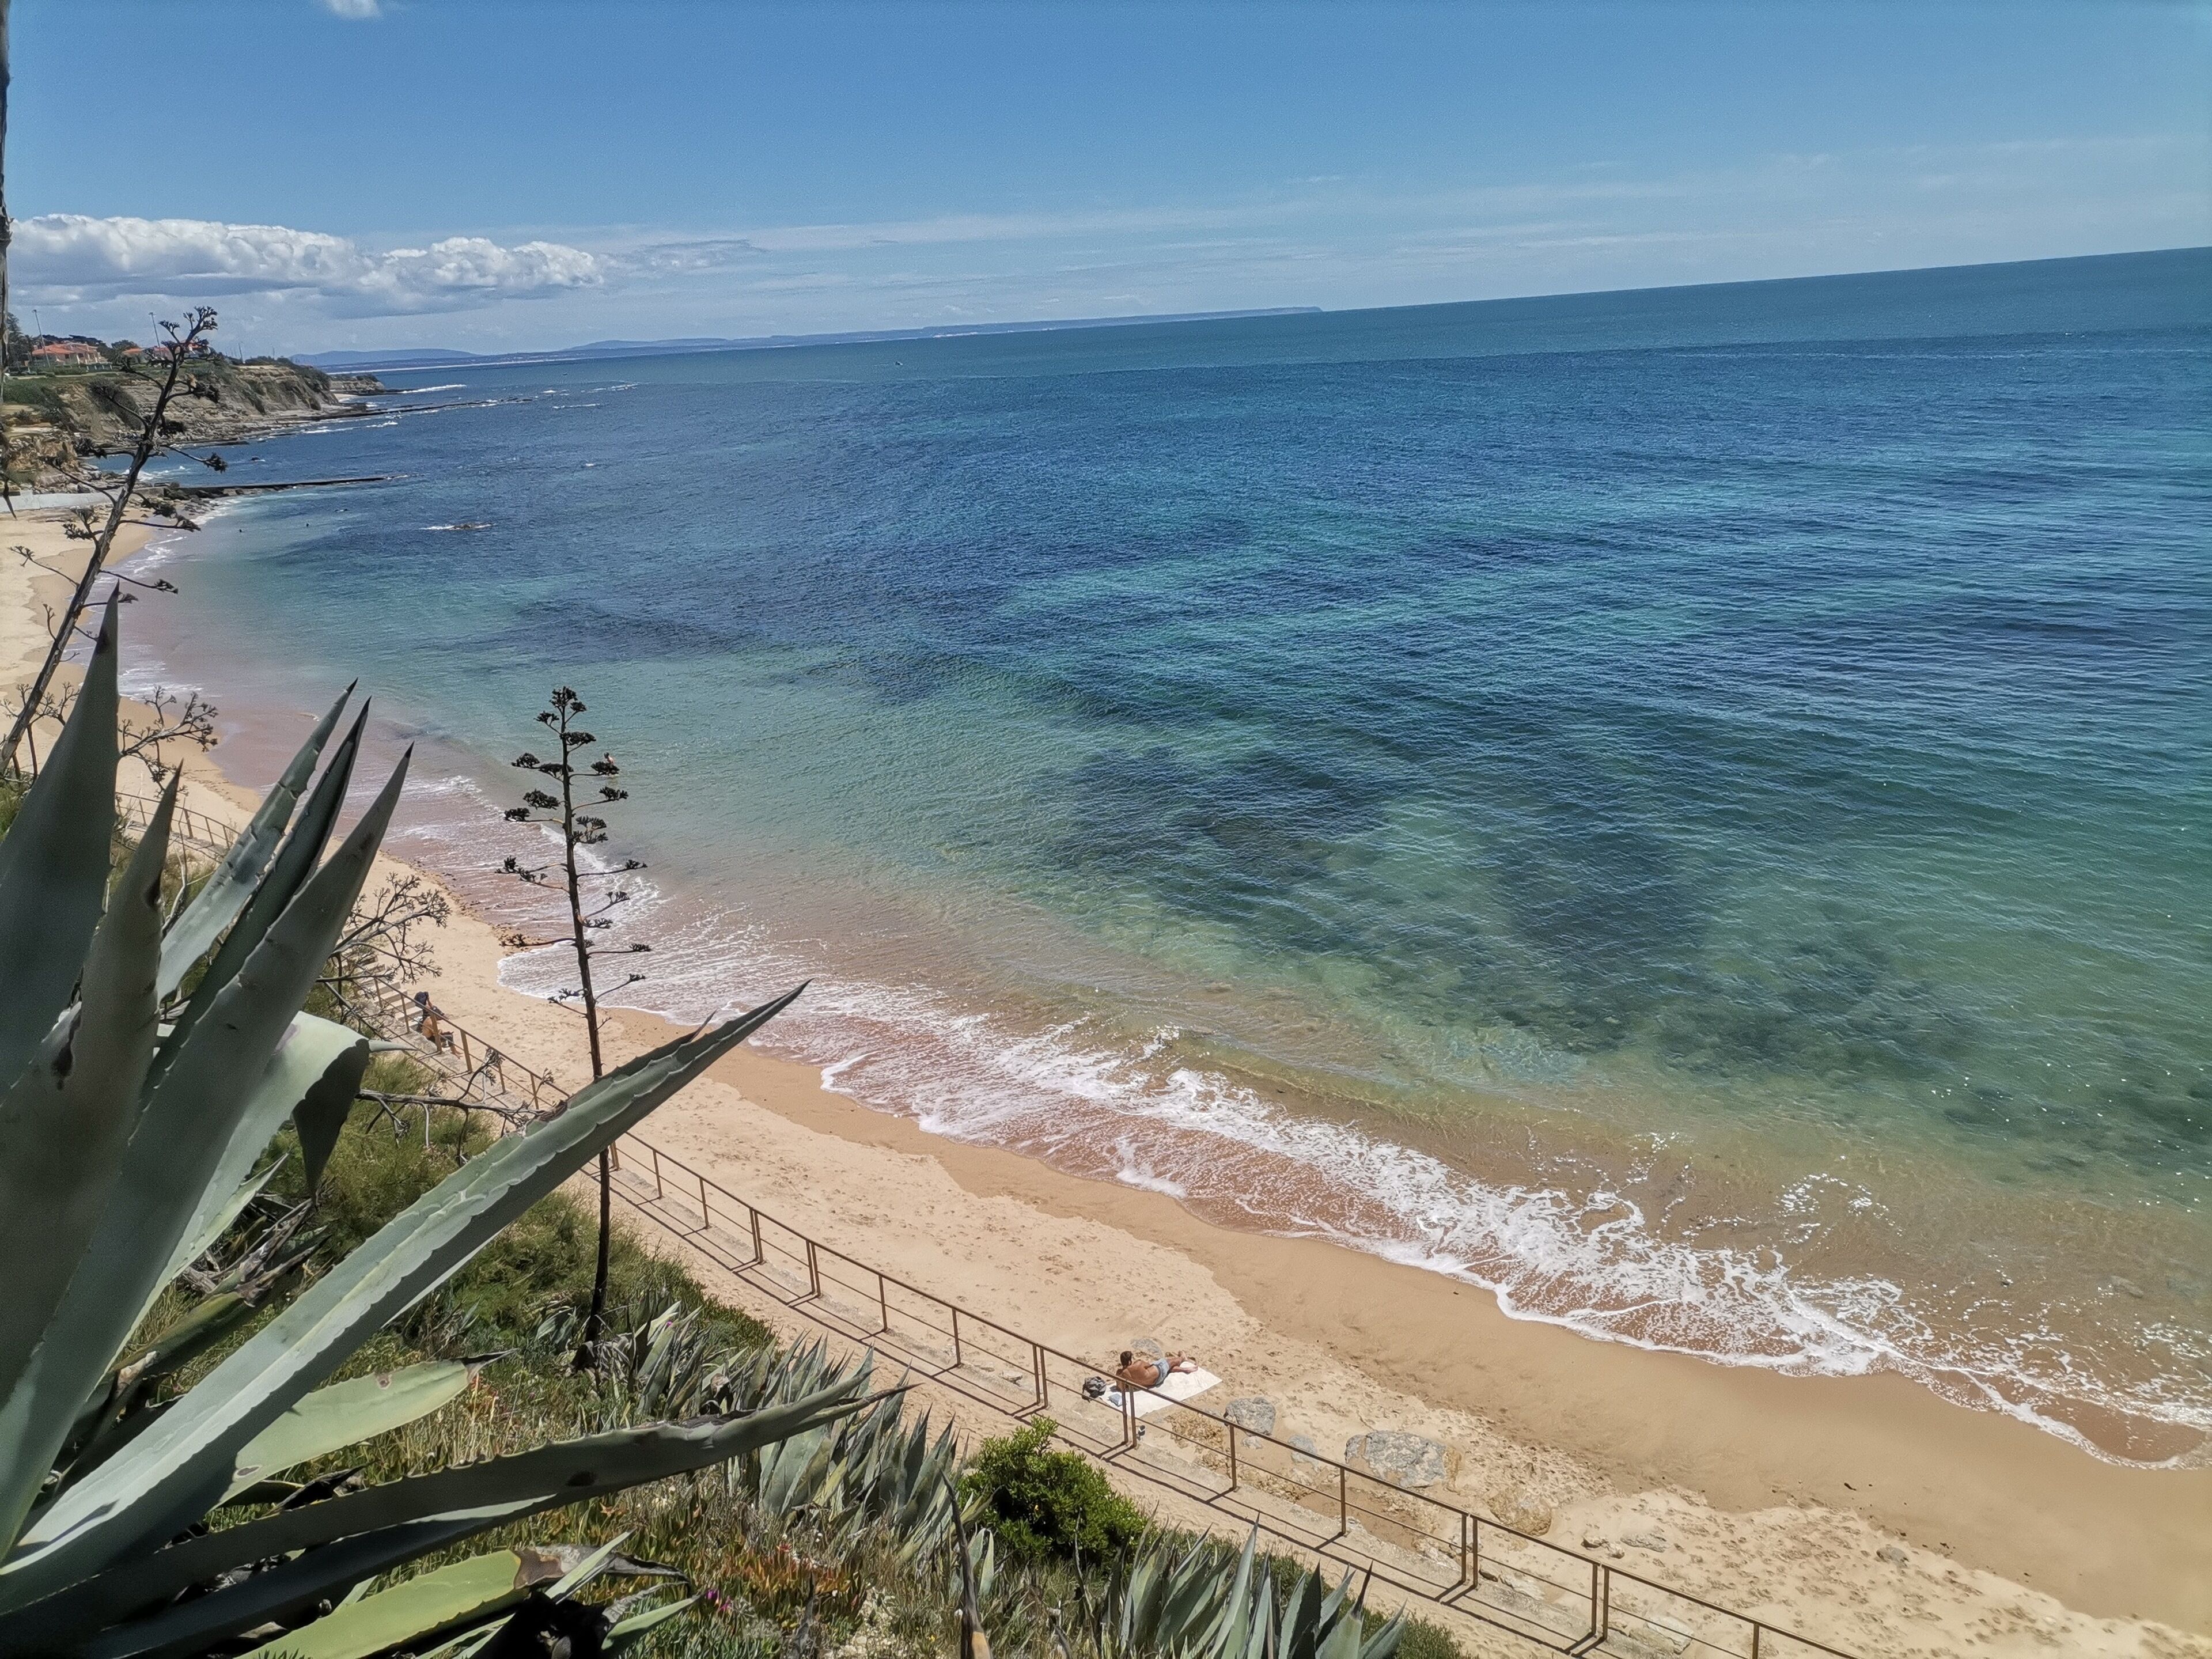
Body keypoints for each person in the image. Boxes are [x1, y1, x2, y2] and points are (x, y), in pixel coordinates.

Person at [1115, 1350, 1196, 1390]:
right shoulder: (1138, 1364)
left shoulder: (1121, 1374)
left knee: (1168, 1368)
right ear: (1130, 1361)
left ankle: (1183, 1369)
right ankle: (1182, 1358)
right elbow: (1150, 1365)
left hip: (1151, 1384)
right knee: (1168, 1362)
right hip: (1159, 1374)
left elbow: (1119, 1388)